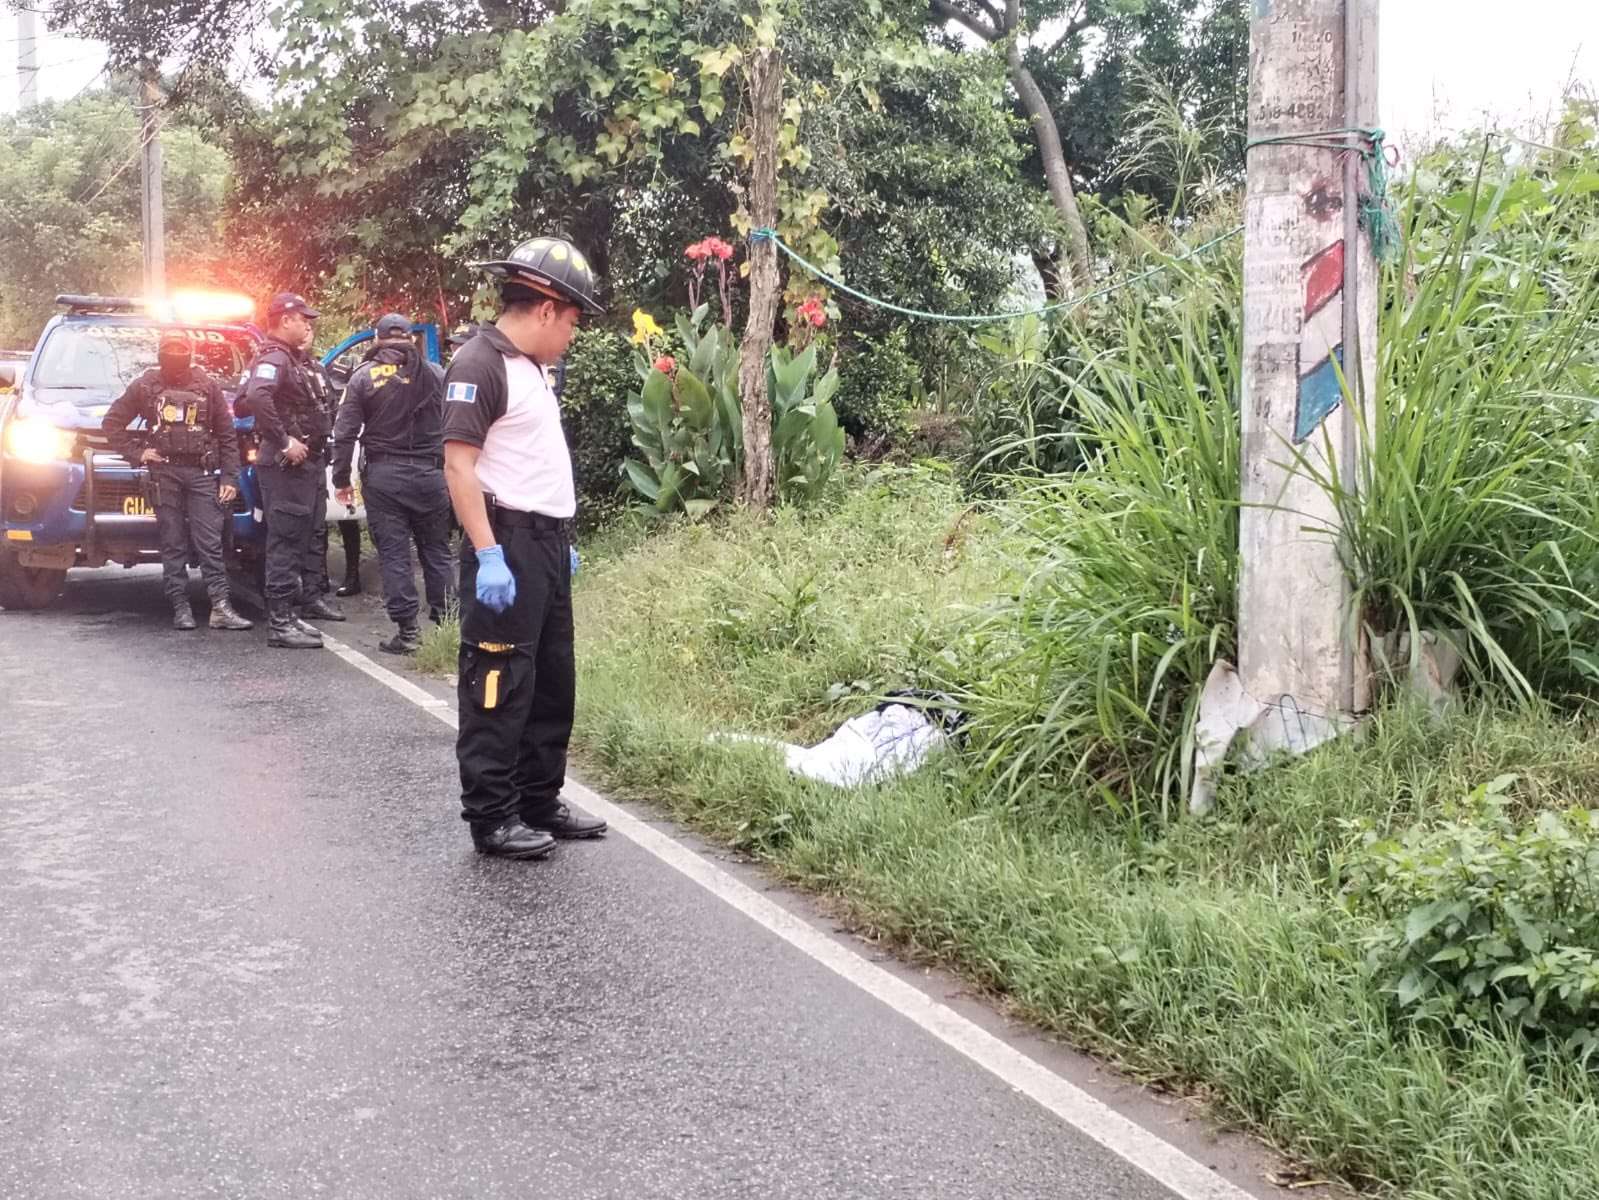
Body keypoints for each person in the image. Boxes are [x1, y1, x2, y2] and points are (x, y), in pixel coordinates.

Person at [441, 235, 608, 859]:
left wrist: (557, 537)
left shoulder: (532, 367)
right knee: (497, 681)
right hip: (504, 544)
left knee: (549, 681)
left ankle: (539, 799)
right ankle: (491, 816)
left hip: (544, 545)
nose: (572, 334)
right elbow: (460, 467)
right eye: (571, 321)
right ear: (544, 310)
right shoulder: (478, 364)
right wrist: (487, 552)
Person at [102, 331, 254, 632]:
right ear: (160, 353)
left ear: (190, 352)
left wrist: (229, 477)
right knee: (173, 542)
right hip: (164, 473)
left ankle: (220, 607)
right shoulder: (146, 385)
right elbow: (112, 423)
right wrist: (139, 453)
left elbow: (227, 437)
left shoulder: (206, 385)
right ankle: (180, 607)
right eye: (169, 349)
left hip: (201, 473)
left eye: (180, 349)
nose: (175, 354)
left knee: (210, 542)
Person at [332, 312, 454, 654]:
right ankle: (448, 627)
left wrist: (341, 478)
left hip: (385, 479)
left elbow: (344, 434)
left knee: (395, 554)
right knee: (437, 550)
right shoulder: (437, 374)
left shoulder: (363, 378)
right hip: (432, 476)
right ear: (411, 338)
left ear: (377, 338)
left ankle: (408, 632)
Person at [240, 292, 344, 649]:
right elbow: (256, 397)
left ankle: (290, 614)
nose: (307, 325)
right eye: (303, 319)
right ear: (286, 320)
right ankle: (279, 624)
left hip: (306, 468)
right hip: (286, 468)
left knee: (300, 540)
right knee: (284, 543)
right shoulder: (273, 357)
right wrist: (284, 441)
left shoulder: (294, 360)